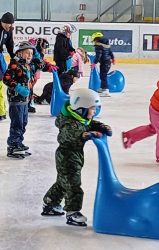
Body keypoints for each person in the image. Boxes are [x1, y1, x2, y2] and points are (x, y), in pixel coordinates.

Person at [41, 88, 112, 227]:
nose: (94, 112)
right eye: (92, 109)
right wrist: (83, 135)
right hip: (67, 157)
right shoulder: (69, 123)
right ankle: (73, 212)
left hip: (73, 155)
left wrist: (101, 126)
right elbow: (66, 135)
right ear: (81, 109)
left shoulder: (79, 118)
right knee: (73, 185)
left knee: (63, 182)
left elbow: (89, 123)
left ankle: (50, 202)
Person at [3, 41, 46, 159]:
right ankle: (13, 146)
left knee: (23, 123)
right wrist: (18, 88)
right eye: (27, 53)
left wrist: (37, 55)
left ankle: (19, 142)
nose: (29, 55)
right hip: (16, 99)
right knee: (17, 123)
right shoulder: (15, 64)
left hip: (25, 100)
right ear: (20, 53)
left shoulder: (29, 65)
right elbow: (6, 79)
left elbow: (41, 65)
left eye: (31, 53)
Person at [27, 37, 57, 113]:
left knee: (30, 88)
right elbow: (40, 63)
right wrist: (48, 67)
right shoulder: (35, 52)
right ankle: (27, 104)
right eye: (44, 47)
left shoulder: (38, 52)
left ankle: (28, 103)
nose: (45, 50)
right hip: (30, 73)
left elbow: (42, 61)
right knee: (28, 88)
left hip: (32, 73)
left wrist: (49, 65)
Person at [91, 32, 115, 97]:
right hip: (107, 62)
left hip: (104, 62)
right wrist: (113, 58)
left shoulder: (98, 46)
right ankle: (102, 88)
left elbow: (98, 56)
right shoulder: (106, 45)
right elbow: (110, 52)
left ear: (96, 39)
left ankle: (106, 90)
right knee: (102, 75)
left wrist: (94, 63)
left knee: (103, 76)